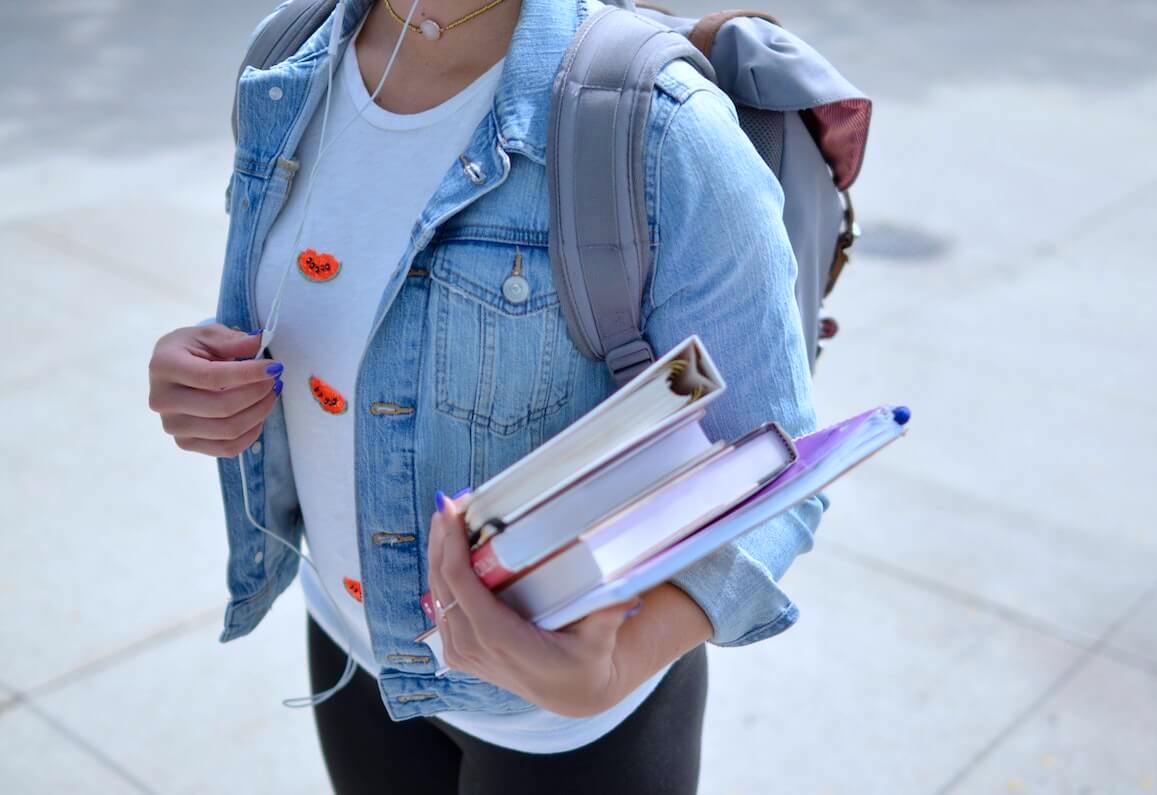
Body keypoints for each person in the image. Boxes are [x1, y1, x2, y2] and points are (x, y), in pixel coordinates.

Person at [146, 0, 824, 792]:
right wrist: (203, 368)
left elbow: (774, 468)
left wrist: (612, 668)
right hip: (351, 646)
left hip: (569, 730)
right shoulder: (288, 57)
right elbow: (327, 303)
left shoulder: (662, 128)